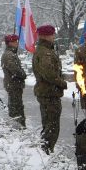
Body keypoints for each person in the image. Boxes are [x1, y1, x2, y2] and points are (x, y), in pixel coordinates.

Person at [32, 25, 67, 154]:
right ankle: (46, 152)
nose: (54, 36)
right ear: (45, 36)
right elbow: (49, 74)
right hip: (49, 93)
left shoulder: (44, 50)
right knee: (52, 126)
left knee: (49, 125)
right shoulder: (45, 52)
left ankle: (46, 151)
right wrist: (62, 83)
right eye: (52, 34)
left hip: (47, 92)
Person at [1, 33, 26, 127]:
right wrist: (23, 74)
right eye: (14, 41)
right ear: (9, 43)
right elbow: (14, 69)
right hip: (13, 84)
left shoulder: (11, 53)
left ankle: (19, 126)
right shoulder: (9, 55)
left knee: (16, 106)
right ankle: (17, 127)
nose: (17, 43)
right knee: (16, 108)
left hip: (14, 84)